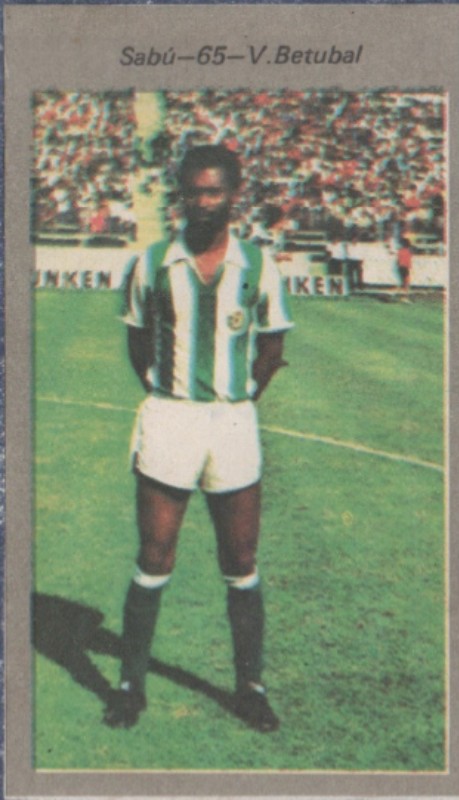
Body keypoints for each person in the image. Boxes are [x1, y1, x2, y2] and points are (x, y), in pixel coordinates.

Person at [103, 145, 294, 732]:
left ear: (234, 194)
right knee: (154, 555)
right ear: (180, 195)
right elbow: (138, 342)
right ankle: (130, 686)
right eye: (193, 191)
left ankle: (251, 688)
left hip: (232, 422)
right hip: (171, 417)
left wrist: (242, 395)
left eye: (214, 191)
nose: (203, 202)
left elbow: (272, 346)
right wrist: (167, 395)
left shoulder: (258, 265)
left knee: (240, 560)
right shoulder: (153, 262)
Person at [396, 236, 413, 302]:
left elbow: (398, 260)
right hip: (405, 267)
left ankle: (403, 296)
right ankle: (404, 297)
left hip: (401, 267)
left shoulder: (400, 251)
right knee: (406, 283)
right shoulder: (408, 251)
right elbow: (408, 260)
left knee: (404, 282)